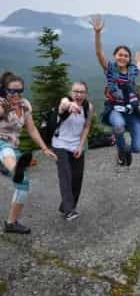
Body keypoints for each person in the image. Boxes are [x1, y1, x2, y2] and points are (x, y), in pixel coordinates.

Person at [0, 72, 57, 234]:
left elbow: (31, 129)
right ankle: (14, 169)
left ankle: (11, 223)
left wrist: (45, 148)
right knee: (6, 149)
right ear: (5, 90)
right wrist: (4, 110)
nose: (16, 94)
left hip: (13, 145)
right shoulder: (2, 103)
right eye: (12, 91)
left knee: (23, 183)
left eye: (19, 90)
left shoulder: (24, 105)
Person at [89, 15, 140, 166]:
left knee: (138, 148)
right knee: (118, 126)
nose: (122, 57)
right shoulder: (110, 69)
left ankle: (128, 150)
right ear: (115, 56)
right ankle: (121, 148)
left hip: (132, 111)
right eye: (120, 55)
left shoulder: (132, 71)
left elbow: (138, 68)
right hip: (115, 109)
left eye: (126, 56)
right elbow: (98, 53)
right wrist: (97, 33)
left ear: (129, 59)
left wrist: (139, 62)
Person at [52, 82, 94, 221]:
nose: (78, 94)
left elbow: (86, 127)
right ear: (70, 92)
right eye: (75, 91)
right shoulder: (65, 101)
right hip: (60, 144)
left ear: (86, 94)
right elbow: (63, 104)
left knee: (77, 177)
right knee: (66, 175)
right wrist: (69, 105)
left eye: (82, 92)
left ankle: (66, 206)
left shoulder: (88, 107)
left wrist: (81, 145)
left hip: (76, 144)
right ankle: (69, 211)